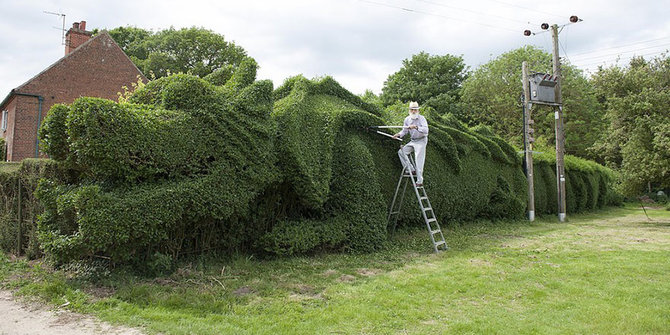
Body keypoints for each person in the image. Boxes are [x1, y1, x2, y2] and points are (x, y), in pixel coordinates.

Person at [392, 101, 428, 186]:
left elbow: (426, 130)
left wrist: (416, 127)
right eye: (412, 109)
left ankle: (419, 181)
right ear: (409, 110)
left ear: (418, 110)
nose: (413, 111)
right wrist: (398, 135)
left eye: (415, 110)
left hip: (421, 140)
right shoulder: (407, 119)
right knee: (401, 152)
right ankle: (411, 169)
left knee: (419, 160)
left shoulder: (422, 118)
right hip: (413, 140)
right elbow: (404, 131)